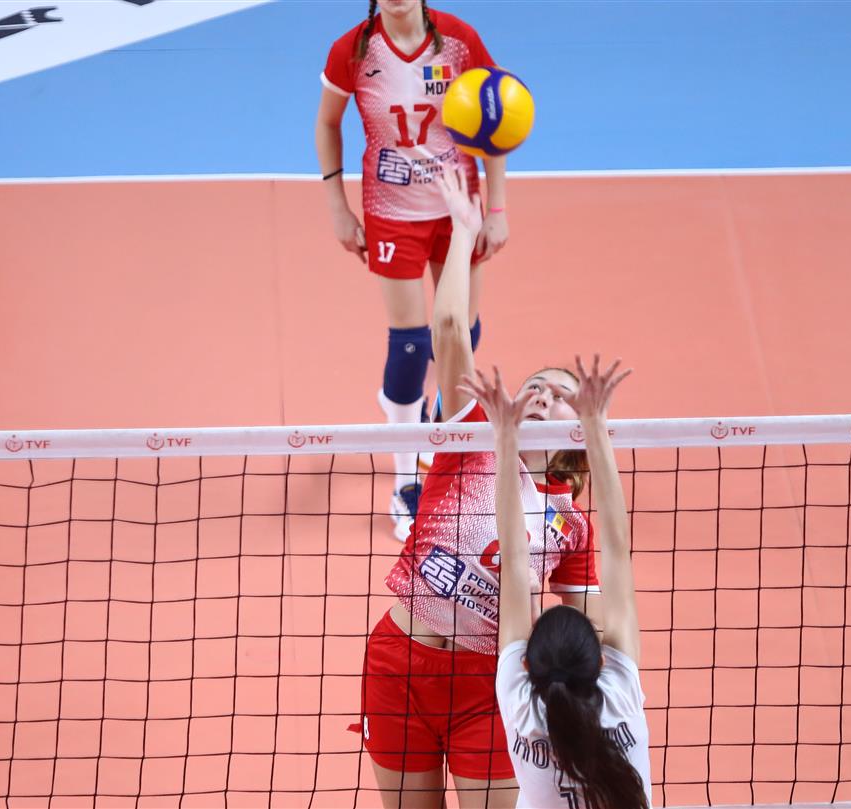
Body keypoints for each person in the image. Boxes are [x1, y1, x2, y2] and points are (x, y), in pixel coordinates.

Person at [348, 166, 600, 809]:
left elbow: (589, 630)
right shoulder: (473, 435)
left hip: (490, 686)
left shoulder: (573, 526)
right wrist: (463, 233)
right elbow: (449, 330)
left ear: (580, 431)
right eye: (536, 385)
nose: (543, 393)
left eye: (562, 394)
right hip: (398, 663)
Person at [315, 0, 511, 540]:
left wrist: (496, 208)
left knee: (461, 335)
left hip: (457, 208)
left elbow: (495, 121)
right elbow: (327, 123)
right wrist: (338, 207)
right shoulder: (353, 50)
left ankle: (439, 440)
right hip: (391, 209)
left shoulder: (460, 39)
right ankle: (407, 481)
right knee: (409, 344)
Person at [463, 355, 651, 809]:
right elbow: (619, 550)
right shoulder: (618, 697)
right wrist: (596, 424)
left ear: (528, 665)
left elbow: (514, 559)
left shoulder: (521, 707)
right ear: (600, 662)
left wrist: (504, 437)